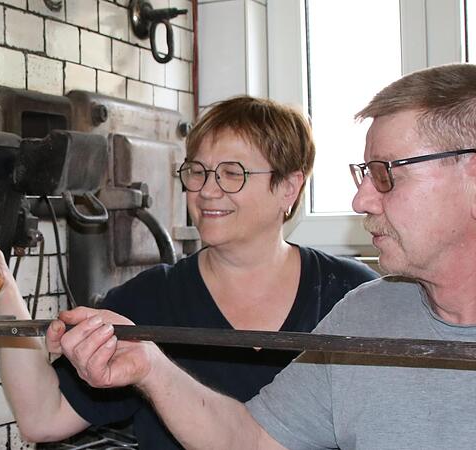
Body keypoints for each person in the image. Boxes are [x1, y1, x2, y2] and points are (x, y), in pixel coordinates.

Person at [49, 63, 476, 449]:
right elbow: (253, 441)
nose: (361, 198)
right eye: (364, 174)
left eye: (386, 174)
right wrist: (150, 369)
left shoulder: (345, 289)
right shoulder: (366, 314)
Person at [0, 96, 377, 448]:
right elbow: (43, 417)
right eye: (197, 172)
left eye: (231, 174)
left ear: (289, 186)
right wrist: (1, 284)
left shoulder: (352, 295)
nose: (205, 191)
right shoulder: (150, 300)